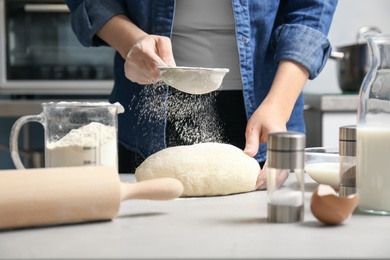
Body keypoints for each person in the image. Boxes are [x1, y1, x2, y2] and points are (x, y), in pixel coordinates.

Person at [65, 0, 338, 188]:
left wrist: (278, 107)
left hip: (267, 111)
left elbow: (311, 8)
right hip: (146, 109)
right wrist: (131, 42)